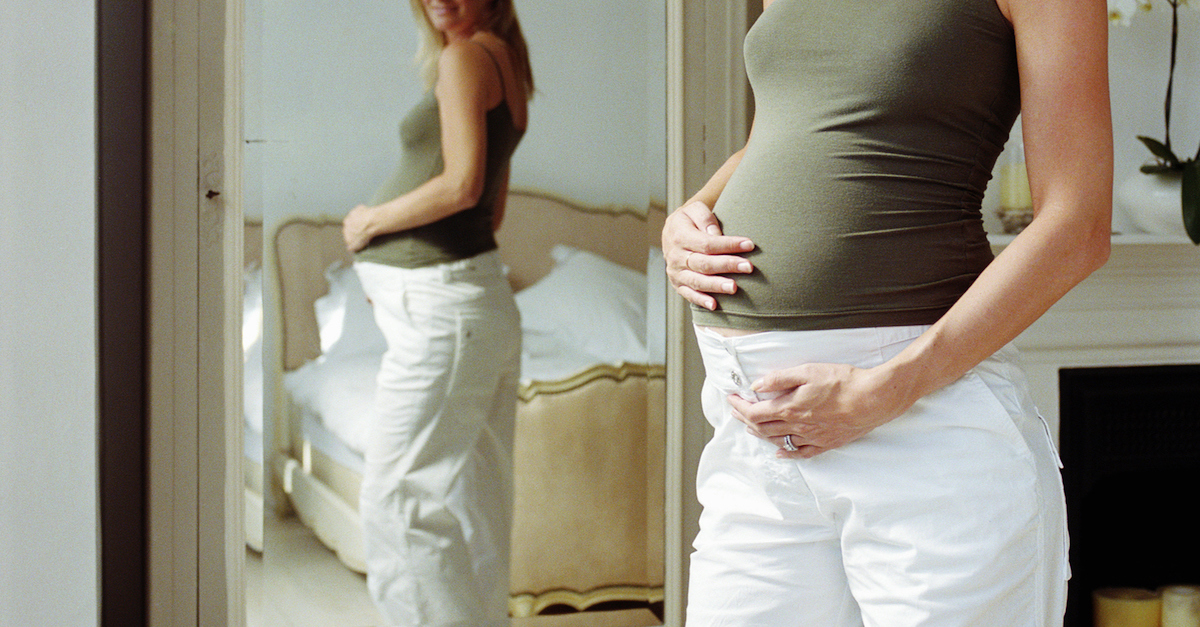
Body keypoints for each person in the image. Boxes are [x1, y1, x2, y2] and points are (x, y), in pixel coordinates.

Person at [661, 0, 1112, 624]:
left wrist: (885, 389)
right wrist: (693, 211)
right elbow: (798, 128)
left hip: (923, 423)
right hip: (755, 438)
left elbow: (1078, 225)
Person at [341, 0, 532, 624]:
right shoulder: (507, 64)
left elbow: (463, 186)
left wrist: (371, 223)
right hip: (470, 305)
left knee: (397, 499)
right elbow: (492, 213)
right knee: (477, 506)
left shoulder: (464, 57)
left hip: (444, 310)